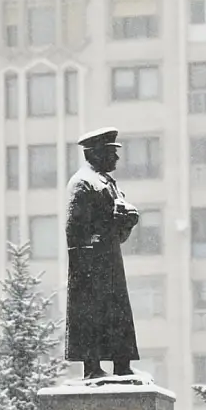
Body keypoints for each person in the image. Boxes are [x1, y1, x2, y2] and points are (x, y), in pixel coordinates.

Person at [64, 127, 140, 379]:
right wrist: (111, 222)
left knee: (117, 313)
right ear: (95, 154)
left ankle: (122, 365)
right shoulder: (82, 183)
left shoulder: (106, 183)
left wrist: (126, 222)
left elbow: (116, 234)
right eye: (111, 153)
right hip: (90, 266)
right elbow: (75, 228)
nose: (116, 158)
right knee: (92, 316)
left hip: (108, 261)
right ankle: (92, 368)